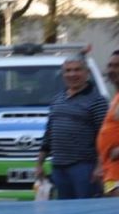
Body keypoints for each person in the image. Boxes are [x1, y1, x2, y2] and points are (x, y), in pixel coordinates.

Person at [36, 55, 108, 200]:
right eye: (68, 71)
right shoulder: (57, 99)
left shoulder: (97, 101)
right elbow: (49, 134)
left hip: (85, 167)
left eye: (77, 70)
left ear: (87, 73)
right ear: (63, 74)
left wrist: (100, 166)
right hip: (58, 167)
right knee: (64, 210)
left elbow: (104, 137)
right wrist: (39, 163)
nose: (72, 74)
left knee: (86, 209)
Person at [97, 49, 119, 198]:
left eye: (117, 66)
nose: (111, 70)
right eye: (110, 65)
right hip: (111, 173)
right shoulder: (116, 96)